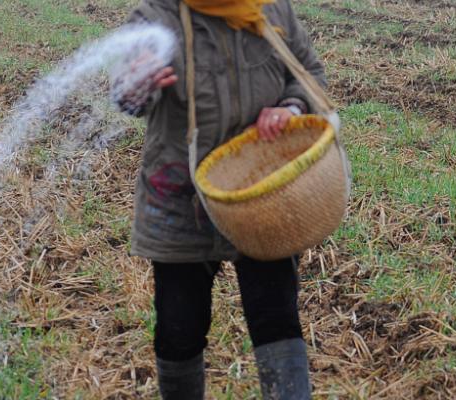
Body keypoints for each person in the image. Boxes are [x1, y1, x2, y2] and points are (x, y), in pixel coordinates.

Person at [113, 1, 326, 398]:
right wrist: (135, 86)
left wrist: (291, 107)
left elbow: (307, 72)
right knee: (180, 326)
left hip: (262, 191)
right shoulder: (157, 17)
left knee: (276, 316)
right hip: (180, 198)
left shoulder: (270, 9)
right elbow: (127, 97)